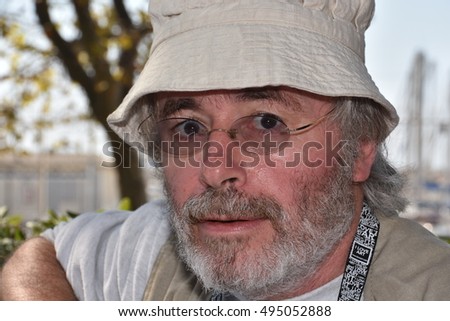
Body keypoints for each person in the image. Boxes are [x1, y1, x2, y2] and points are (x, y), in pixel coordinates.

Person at [2, 0, 450, 301]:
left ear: (359, 149)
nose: (216, 171)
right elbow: (42, 255)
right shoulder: (147, 249)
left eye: (266, 122)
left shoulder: (430, 293)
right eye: (189, 127)